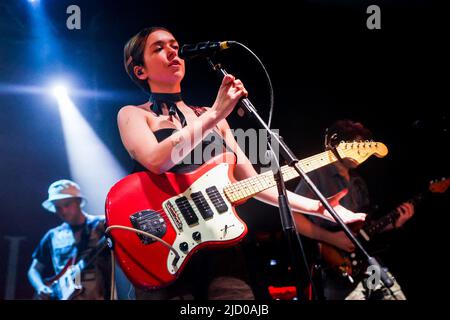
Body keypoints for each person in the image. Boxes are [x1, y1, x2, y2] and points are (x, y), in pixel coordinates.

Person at [117, 27, 366, 300]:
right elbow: (156, 160)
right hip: (164, 244)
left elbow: (251, 184)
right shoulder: (134, 115)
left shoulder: (213, 117)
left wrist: (318, 208)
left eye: (175, 45)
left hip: (220, 245)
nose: (173, 51)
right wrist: (213, 114)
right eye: (159, 48)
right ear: (140, 71)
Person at [294, 119, 414, 300]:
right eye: (357, 145)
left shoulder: (359, 183)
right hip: (336, 268)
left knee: (393, 296)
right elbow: (292, 215)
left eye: (364, 146)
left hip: (367, 263)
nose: (363, 151)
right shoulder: (317, 174)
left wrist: (394, 224)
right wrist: (330, 238)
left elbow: (364, 227)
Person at [28, 179, 110, 300]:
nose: (63, 211)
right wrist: (40, 287)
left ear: (78, 202)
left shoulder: (102, 225)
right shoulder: (53, 235)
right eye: (58, 207)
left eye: (67, 205)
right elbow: (33, 269)